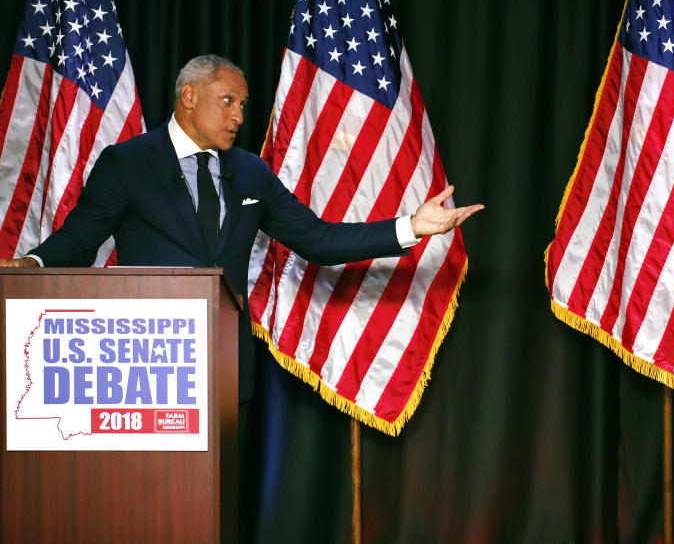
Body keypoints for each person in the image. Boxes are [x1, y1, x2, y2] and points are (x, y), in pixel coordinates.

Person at [0, 54, 483, 401]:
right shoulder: (128, 163)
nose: (238, 116)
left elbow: (318, 239)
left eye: (243, 105)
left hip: (227, 366)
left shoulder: (251, 172)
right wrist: (32, 262)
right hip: (143, 365)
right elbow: (82, 237)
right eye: (227, 101)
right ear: (188, 96)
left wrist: (411, 227)